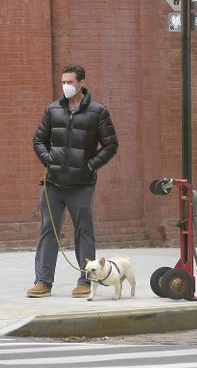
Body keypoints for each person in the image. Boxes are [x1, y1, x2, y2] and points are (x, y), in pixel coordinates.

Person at [27, 64, 118, 298]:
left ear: (81, 83)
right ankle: (43, 282)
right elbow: (39, 140)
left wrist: (89, 165)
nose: (65, 86)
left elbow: (110, 145)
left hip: (82, 186)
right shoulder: (53, 110)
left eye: (70, 82)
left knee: (84, 233)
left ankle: (85, 281)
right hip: (53, 185)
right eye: (63, 82)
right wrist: (50, 162)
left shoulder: (98, 111)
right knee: (49, 231)